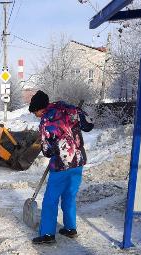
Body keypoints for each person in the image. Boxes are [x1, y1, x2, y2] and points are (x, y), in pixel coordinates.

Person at [28, 90, 93, 244]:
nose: (35, 115)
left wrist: (55, 146)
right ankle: (70, 229)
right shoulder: (67, 108)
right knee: (69, 196)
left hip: (61, 165)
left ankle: (48, 235)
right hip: (78, 161)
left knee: (50, 200)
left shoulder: (46, 121)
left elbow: (47, 151)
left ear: (40, 109)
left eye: (35, 112)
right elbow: (89, 124)